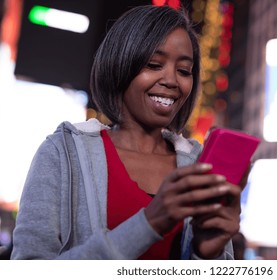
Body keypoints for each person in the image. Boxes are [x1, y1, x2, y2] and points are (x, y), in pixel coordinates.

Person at [11, 5, 241, 260]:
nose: (172, 81)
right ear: (120, 64)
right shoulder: (63, 153)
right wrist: (149, 224)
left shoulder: (200, 164)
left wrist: (207, 253)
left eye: (184, 71)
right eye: (154, 64)